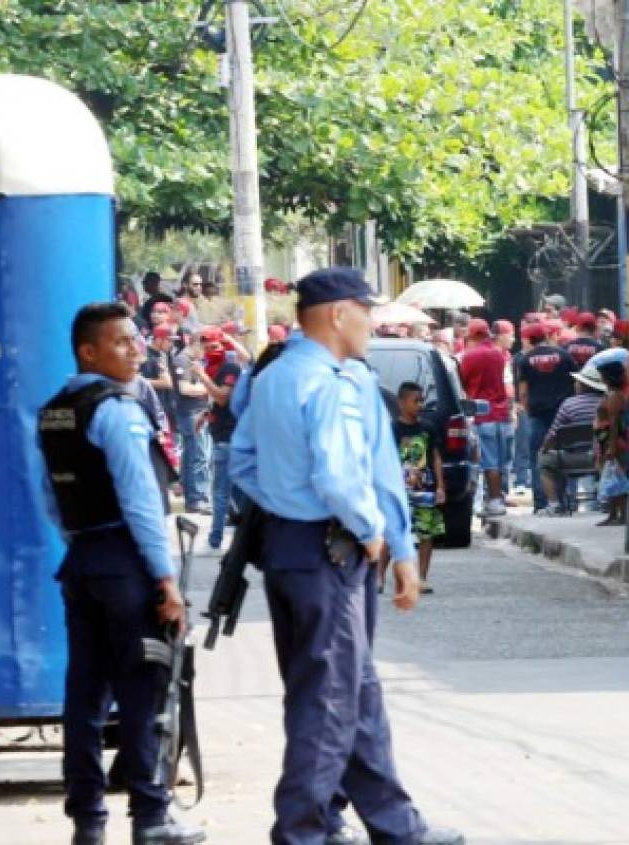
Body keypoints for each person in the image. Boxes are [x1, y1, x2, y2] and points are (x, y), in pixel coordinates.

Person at [228, 268, 462, 845]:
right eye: (365, 310)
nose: (372, 322)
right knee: (330, 697)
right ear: (337, 314)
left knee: (352, 688)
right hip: (331, 546)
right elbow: (341, 476)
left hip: (294, 545)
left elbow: (244, 464)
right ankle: (303, 830)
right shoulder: (329, 383)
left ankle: (392, 824)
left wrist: (289, 506)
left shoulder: (277, 376)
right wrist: (372, 532)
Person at [37, 303, 204, 845]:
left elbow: (50, 500)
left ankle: (88, 821)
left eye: (135, 339)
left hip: (81, 560)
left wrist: (82, 544)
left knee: (85, 694)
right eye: (121, 342)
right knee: (142, 690)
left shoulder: (53, 411)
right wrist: (166, 579)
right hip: (125, 562)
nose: (136, 350)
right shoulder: (117, 409)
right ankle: (151, 818)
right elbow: (141, 503)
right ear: (89, 352)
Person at [392, 381, 446, 594]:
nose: (420, 405)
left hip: (425, 489)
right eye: (416, 401)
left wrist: (440, 486)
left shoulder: (428, 428)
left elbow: (435, 457)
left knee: (426, 533)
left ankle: (421, 576)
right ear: (402, 403)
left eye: (421, 400)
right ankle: (381, 576)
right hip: (398, 490)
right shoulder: (392, 429)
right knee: (393, 533)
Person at [192, 329, 243, 549]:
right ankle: (249, 539)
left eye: (214, 346)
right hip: (223, 435)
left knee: (221, 492)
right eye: (206, 347)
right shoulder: (214, 369)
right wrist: (206, 415)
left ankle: (215, 539)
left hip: (230, 439)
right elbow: (219, 404)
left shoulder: (230, 367)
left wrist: (201, 376)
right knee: (239, 495)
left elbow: (223, 397)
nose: (210, 351)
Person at [517, 322, 576, 512]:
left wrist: (527, 410)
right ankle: (567, 499)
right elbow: (574, 383)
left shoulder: (526, 360)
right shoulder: (564, 355)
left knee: (539, 457)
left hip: (538, 415)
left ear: (529, 339)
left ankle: (542, 502)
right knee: (565, 455)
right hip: (563, 414)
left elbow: (524, 391)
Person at [458, 318, 512, 516]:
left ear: (474, 336)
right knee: (500, 460)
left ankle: (494, 501)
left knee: (487, 462)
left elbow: (463, 382)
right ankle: (497, 498)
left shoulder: (470, 356)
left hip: (481, 414)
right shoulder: (499, 355)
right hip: (500, 412)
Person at [536, 364, 605, 515]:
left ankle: (554, 504)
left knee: (545, 461)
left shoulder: (568, 404)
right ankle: (606, 500)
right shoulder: (606, 402)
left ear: (583, 385)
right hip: (601, 458)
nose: (575, 384)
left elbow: (553, 435)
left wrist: (544, 450)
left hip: (571, 459)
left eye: (577, 381)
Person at [171, 329, 212, 514]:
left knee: (190, 456)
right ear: (196, 343)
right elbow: (185, 387)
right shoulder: (183, 360)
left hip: (196, 411)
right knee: (200, 457)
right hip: (191, 412)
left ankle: (192, 498)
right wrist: (208, 388)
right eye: (205, 348)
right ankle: (199, 498)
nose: (206, 352)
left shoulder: (192, 360)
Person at [593, 356, 629, 526]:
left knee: (617, 477)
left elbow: (614, 422)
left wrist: (611, 446)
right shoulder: (612, 394)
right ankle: (612, 513)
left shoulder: (615, 396)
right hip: (606, 440)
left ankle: (621, 514)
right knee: (610, 477)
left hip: (613, 441)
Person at [510, 322, 541, 495]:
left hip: (527, 405)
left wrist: (520, 402)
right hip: (535, 407)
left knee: (526, 444)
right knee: (526, 444)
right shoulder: (519, 359)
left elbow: (520, 385)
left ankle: (525, 480)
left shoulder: (522, 359)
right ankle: (524, 479)